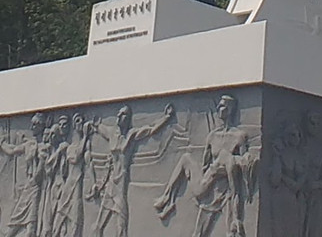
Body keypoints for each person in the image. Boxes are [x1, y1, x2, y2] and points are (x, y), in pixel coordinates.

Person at [153, 95, 255, 237]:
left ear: (231, 109)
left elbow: (242, 166)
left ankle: (167, 199)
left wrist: (229, 164)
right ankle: (167, 198)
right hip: (207, 190)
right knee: (199, 234)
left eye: (223, 106)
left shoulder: (239, 136)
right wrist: (212, 172)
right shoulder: (212, 136)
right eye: (219, 106)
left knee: (231, 232)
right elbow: (205, 166)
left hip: (226, 192)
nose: (219, 109)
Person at [93, 103, 175, 237]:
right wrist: (92, 124)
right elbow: (97, 126)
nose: (119, 116)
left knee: (121, 226)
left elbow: (151, 129)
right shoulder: (111, 132)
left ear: (129, 118)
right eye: (118, 113)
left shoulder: (131, 134)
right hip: (110, 184)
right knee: (98, 225)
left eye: (123, 114)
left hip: (120, 186)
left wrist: (166, 117)